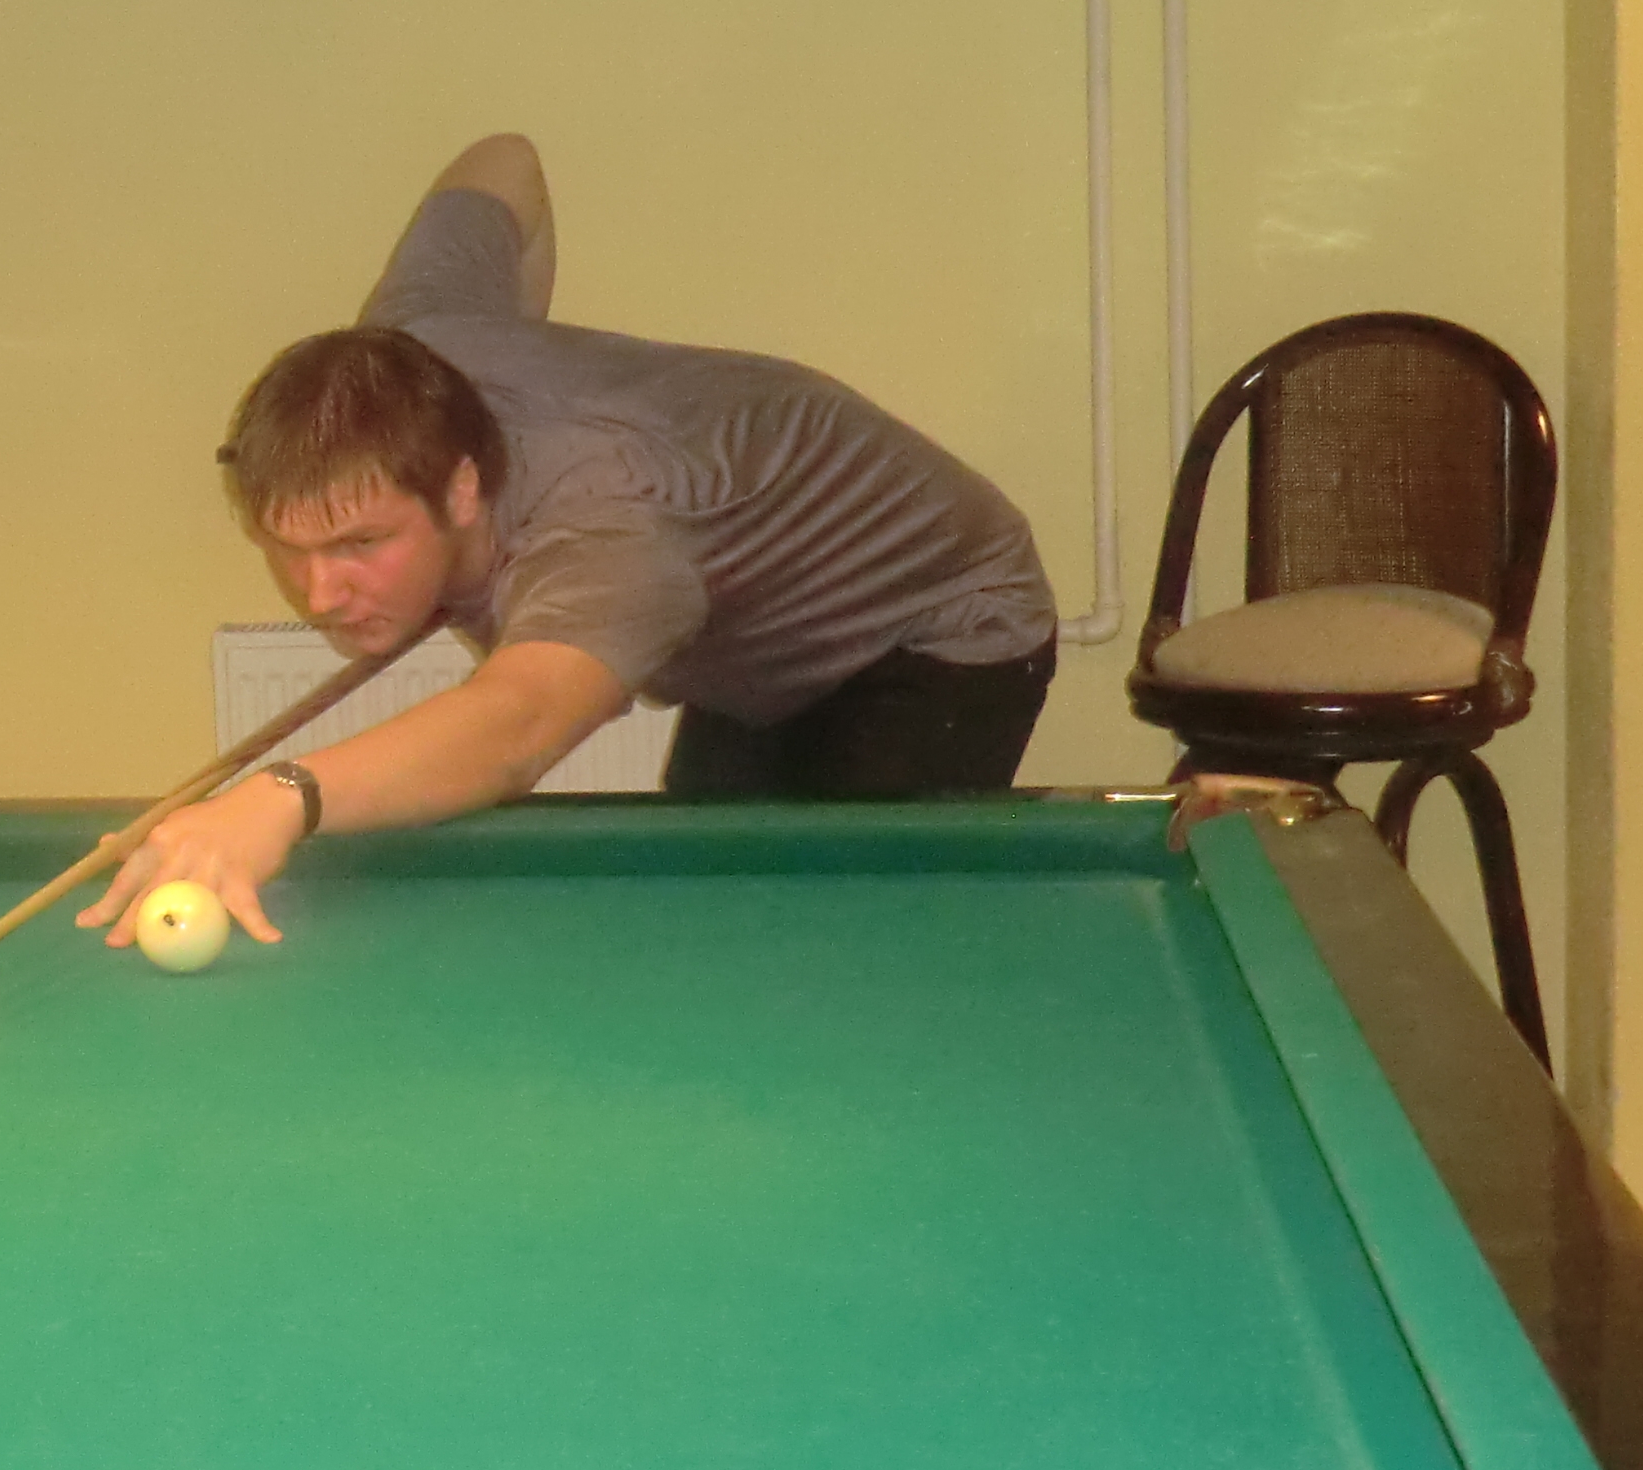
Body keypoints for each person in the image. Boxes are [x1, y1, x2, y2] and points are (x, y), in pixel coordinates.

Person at [81, 133, 1059, 950]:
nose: (319, 593)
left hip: (935, 625)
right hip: (755, 627)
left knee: (835, 948)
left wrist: (277, 797)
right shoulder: (411, 350)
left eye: (361, 544)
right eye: (288, 549)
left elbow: (517, 729)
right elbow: (505, 159)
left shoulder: (605, 527)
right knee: (709, 914)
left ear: (463, 488)